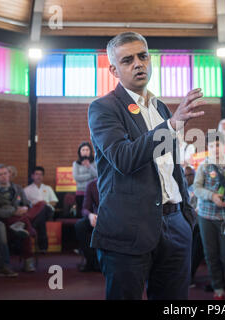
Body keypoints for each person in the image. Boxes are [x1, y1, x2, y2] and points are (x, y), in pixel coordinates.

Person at [88, 31, 206, 300]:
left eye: (142, 56)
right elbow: (124, 158)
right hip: (129, 228)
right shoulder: (104, 108)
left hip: (176, 225)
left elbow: (171, 169)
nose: (138, 64)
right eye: (127, 60)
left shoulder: (161, 108)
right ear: (114, 70)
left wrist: (186, 218)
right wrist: (172, 126)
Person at [193, 133, 225, 300]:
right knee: (210, 254)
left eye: (218, 145)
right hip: (206, 216)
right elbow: (197, 188)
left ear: (224, 147)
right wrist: (211, 196)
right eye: (212, 146)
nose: (215, 149)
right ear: (208, 148)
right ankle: (218, 288)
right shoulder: (203, 166)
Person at [0, 164, 53, 271]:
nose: (3, 176)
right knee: (26, 230)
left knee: (41, 204)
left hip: (22, 216)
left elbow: (27, 203)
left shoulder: (17, 188)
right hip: (6, 219)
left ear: (9, 174)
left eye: (5, 173)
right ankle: (28, 262)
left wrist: (25, 208)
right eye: (0, 174)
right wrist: (14, 211)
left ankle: (22, 225)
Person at [75, 178, 100, 272]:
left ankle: (98, 262)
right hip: (96, 217)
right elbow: (85, 208)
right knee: (80, 225)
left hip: (113, 218)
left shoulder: (116, 181)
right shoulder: (92, 184)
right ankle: (91, 260)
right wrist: (90, 215)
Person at [72, 142, 98, 218]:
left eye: (87, 150)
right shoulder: (76, 164)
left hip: (93, 192)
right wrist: (90, 176)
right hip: (81, 192)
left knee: (93, 215)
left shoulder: (95, 162)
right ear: (80, 152)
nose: (85, 151)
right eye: (83, 150)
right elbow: (76, 177)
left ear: (90, 151)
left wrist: (89, 166)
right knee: (82, 215)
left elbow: (98, 175)